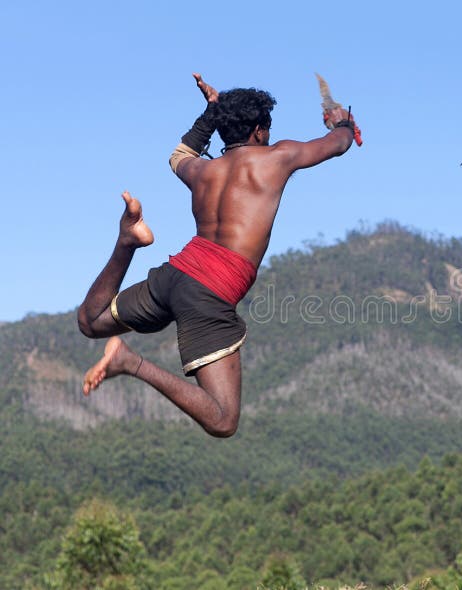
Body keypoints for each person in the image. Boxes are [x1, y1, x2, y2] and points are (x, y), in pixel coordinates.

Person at [77, 74, 358, 437]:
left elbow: (179, 155)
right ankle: (129, 361)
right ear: (259, 131)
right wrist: (345, 123)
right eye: (267, 131)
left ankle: (128, 240)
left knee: (91, 320)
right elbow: (338, 144)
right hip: (209, 291)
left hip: (177, 274)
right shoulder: (276, 158)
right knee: (223, 420)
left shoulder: (202, 171)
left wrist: (210, 113)